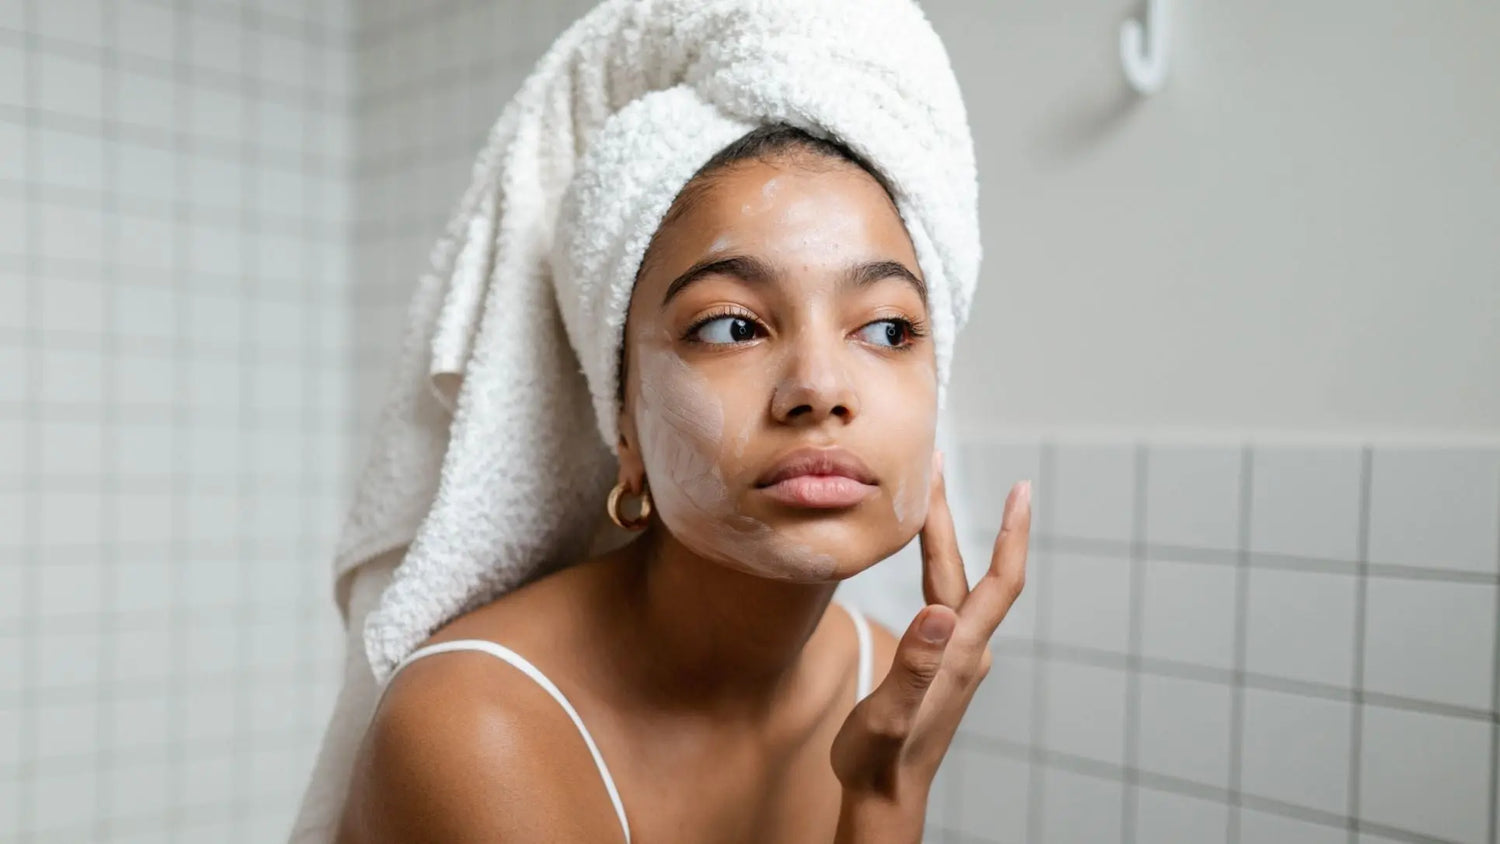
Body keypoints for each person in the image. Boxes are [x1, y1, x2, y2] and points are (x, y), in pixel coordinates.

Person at [333, 121, 1031, 843]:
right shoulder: (475, 726)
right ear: (624, 427)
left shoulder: (891, 682)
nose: (819, 389)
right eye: (733, 327)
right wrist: (886, 799)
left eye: (887, 330)